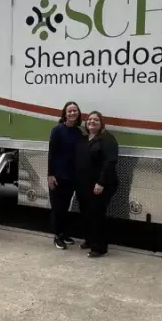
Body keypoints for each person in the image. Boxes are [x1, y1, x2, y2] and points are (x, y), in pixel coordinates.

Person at [76, 110, 119, 258]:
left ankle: (100, 248)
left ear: (101, 123)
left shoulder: (107, 139)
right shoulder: (84, 138)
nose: (92, 122)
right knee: (86, 213)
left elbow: (110, 162)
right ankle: (90, 240)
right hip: (84, 184)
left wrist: (101, 182)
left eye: (95, 120)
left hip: (100, 184)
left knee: (97, 214)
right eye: (89, 120)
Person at [47, 100, 83, 249]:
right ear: (65, 114)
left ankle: (63, 233)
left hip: (71, 176)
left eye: (75, 110)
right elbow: (52, 153)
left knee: (66, 206)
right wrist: (50, 175)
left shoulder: (79, 132)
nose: (72, 113)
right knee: (57, 207)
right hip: (58, 176)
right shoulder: (57, 130)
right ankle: (57, 236)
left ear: (78, 113)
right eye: (70, 111)